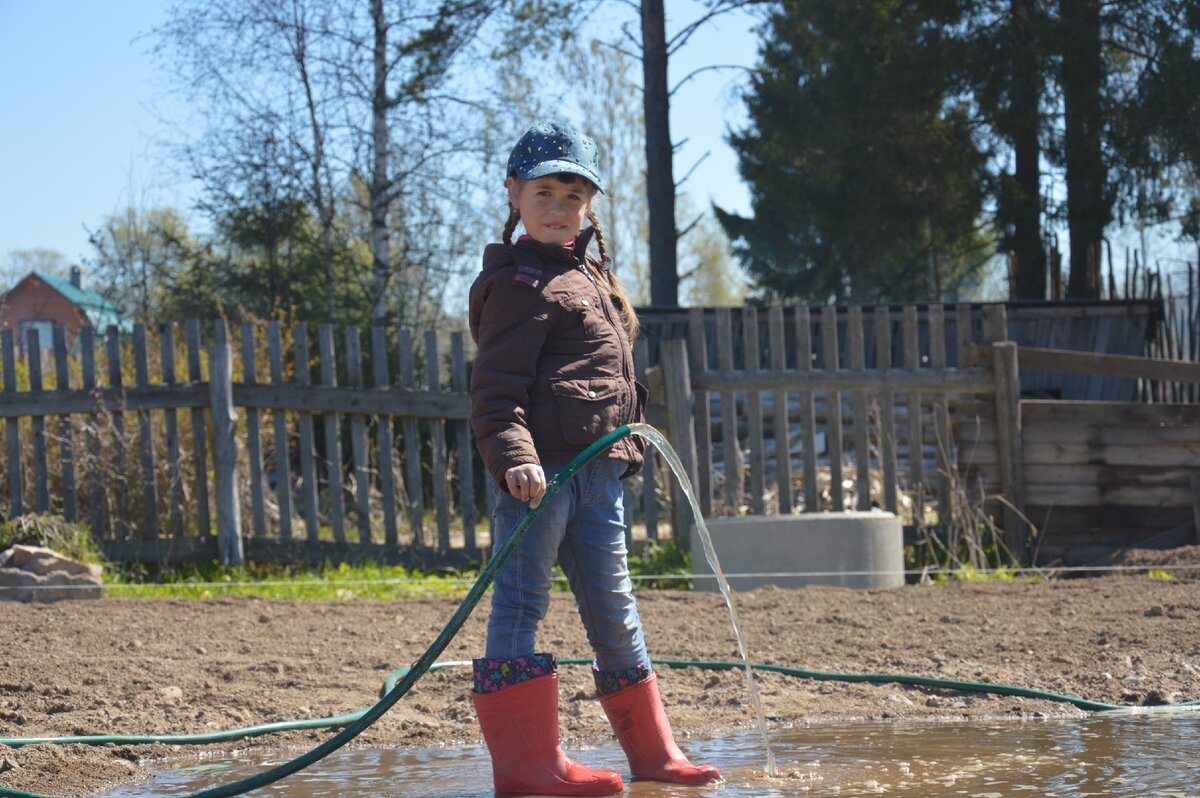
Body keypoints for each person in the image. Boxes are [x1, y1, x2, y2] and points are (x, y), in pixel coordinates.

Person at [468, 121, 722, 796]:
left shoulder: (594, 277)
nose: (558, 207)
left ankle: (654, 754)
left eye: (573, 195)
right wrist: (515, 459)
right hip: (539, 479)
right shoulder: (518, 283)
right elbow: (495, 393)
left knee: (615, 608)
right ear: (514, 193)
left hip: (599, 476)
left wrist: (628, 445)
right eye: (544, 191)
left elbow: (612, 380)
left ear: (591, 207)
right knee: (520, 604)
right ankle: (528, 768)